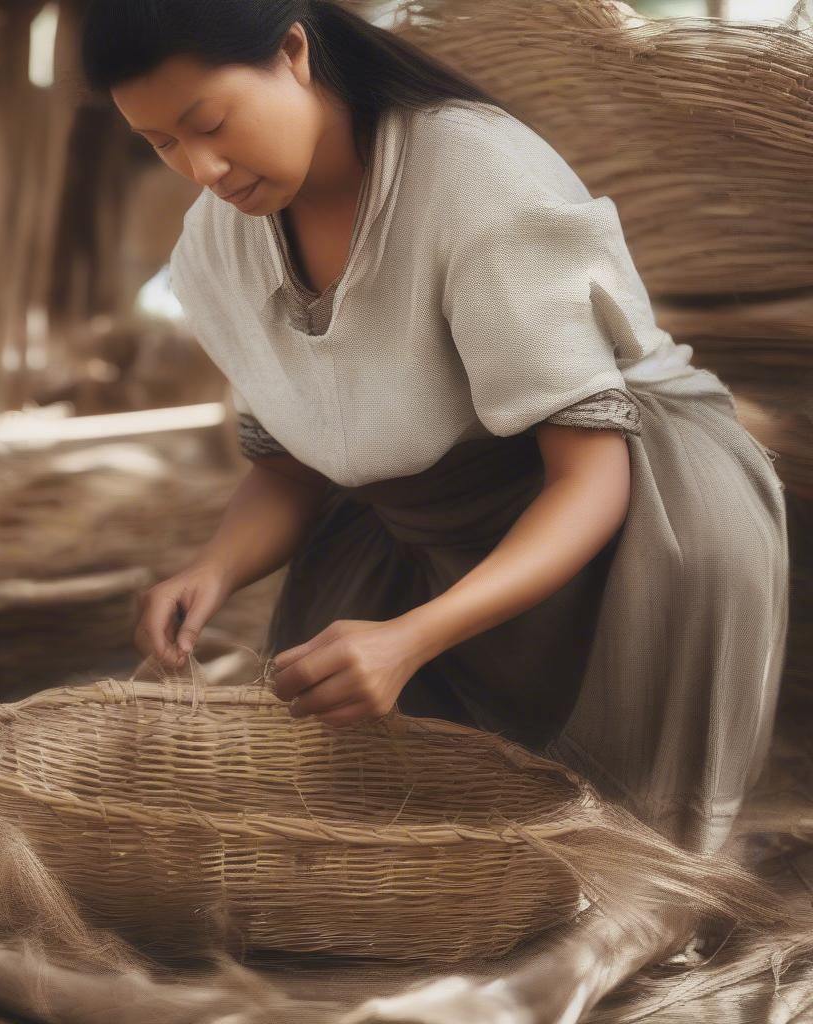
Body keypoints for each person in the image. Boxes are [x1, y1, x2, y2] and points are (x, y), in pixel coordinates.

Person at [78, 2, 791, 1020]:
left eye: (211, 120)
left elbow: (590, 480)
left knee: (612, 877)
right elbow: (292, 464)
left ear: (292, 51)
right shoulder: (220, 244)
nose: (201, 167)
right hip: (417, 527)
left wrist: (410, 637)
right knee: (384, 865)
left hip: (635, 524)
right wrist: (212, 570)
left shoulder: (470, 177)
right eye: (161, 144)